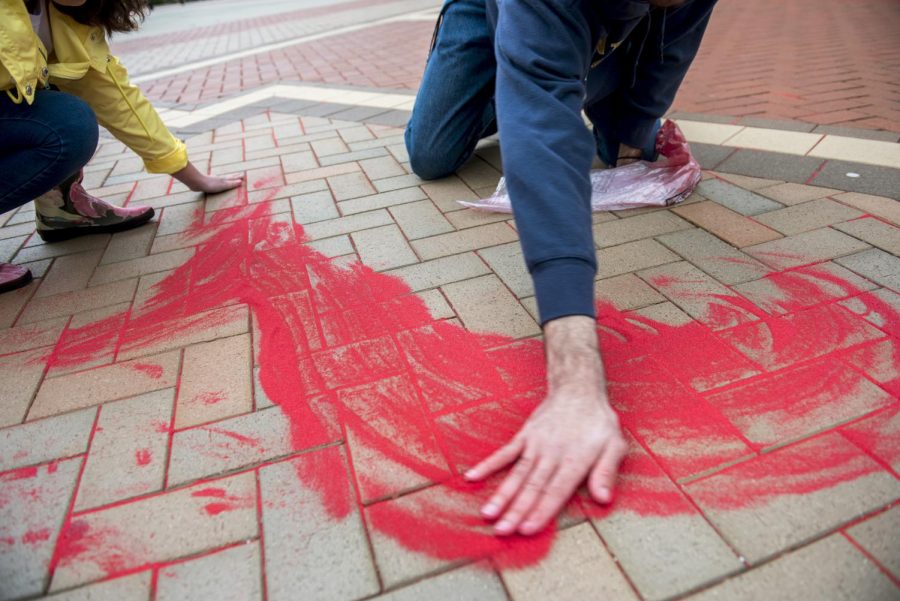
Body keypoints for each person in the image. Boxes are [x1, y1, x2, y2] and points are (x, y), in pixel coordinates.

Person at [406, 0, 717, 536]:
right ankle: (511, 71)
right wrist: (575, 380)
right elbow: (546, 127)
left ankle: (543, 74)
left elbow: (672, 45)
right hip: (496, 14)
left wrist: (635, 130)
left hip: (599, 28)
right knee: (433, 154)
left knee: (625, 142)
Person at [0, 0, 242, 293]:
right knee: (65, 126)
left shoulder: (63, 14)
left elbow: (111, 95)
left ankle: (62, 207)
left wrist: (190, 175)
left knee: (65, 110)